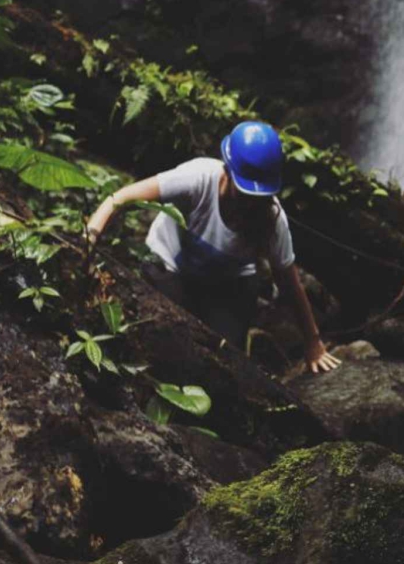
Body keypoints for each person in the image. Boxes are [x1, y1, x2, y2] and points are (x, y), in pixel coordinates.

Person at [85, 120, 341, 374]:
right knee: (165, 340)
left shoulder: (273, 220)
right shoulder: (197, 178)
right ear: (227, 172)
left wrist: (313, 342)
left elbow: (289, 282)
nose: (250, 203)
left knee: (223, 360)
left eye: (257, 197)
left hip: (227, 285)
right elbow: (121, 198)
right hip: (170, 267)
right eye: (244, 193)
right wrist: (90, 236)